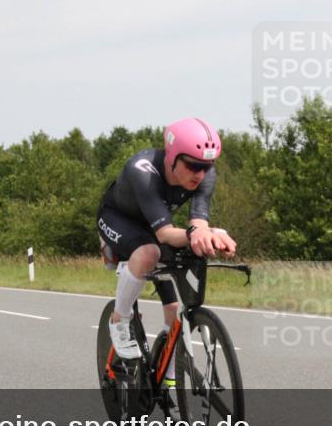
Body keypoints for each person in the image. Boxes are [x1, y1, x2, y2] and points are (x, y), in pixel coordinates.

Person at [96, 118, 237, 370]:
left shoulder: (205, 176)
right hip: (119, 219)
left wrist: (212, 235)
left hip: (156, 227)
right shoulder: (143, 170)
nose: (200, 174)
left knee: (173, 310)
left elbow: (198, 224)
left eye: (207, 166)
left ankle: (168, 376)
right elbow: (164, 234)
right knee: (149, 252)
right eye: (193, 165)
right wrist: (196, 233)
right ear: (172, 156)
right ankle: (119, 320)